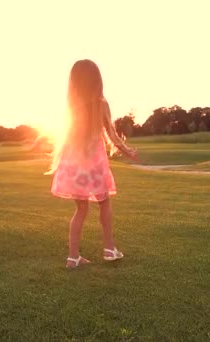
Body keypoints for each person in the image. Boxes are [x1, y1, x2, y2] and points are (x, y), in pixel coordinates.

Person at [46, 59, 139, 268]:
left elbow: (65, 135)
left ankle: (73, 257)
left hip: (74, 166)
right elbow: (112, 135)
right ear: (97, 80)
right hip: (94, 166)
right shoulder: (101, 104)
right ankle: (109, 248)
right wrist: (127, 151)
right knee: (104, 202)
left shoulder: (73, 106)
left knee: (80, 210)